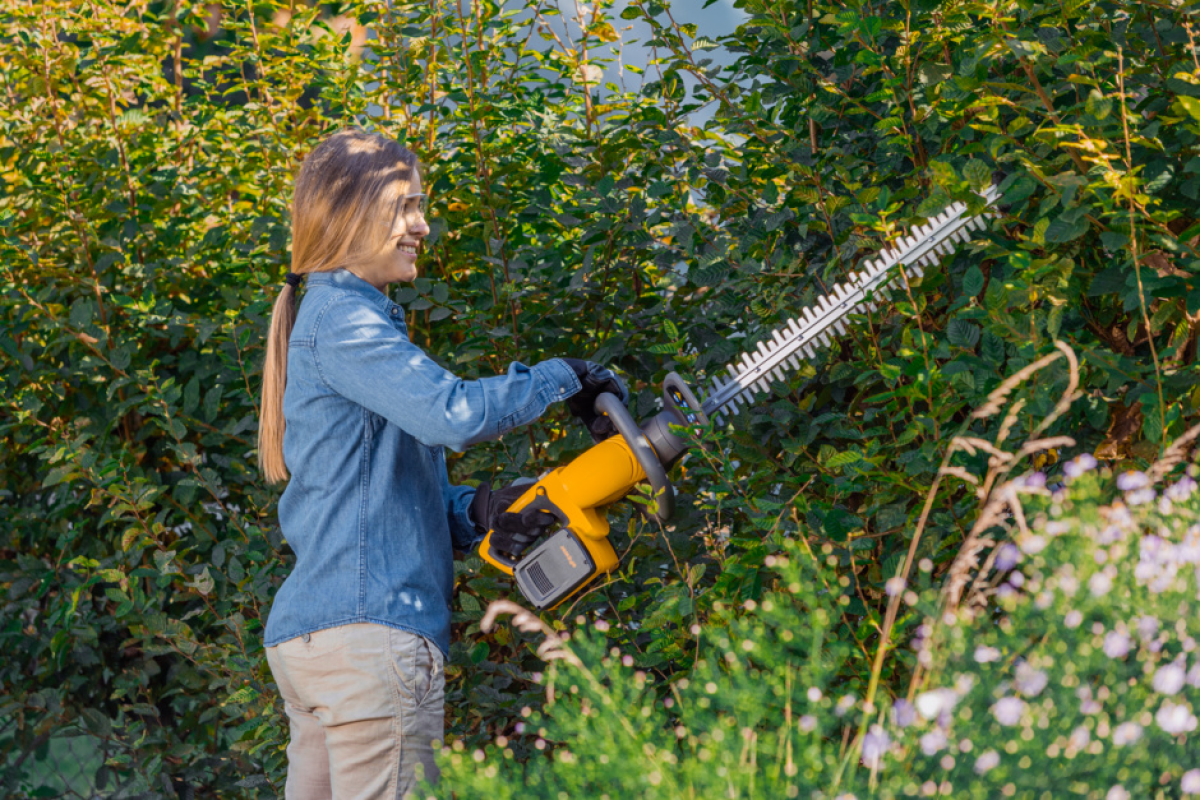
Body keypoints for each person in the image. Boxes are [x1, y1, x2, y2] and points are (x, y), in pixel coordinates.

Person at [256, 128, 627, 800]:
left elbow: (372, 495)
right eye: (405, 207)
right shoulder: (345, 321)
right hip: (370, 637)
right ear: (348, 214)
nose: (422, 226)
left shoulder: (333, 319)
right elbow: (452, 415)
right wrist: (565, 376)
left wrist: (480, 510)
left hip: (319, 638)